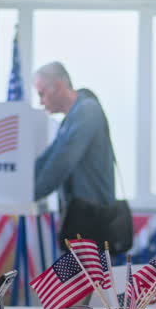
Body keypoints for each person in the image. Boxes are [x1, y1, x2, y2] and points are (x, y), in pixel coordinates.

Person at [31, 61, 118, 221]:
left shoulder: (87, 111)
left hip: (94, 218)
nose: (41, 102)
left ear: (57, 86)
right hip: (79, 215)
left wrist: (30, 194)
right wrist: (18, 185)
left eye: (41, 93)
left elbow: (62, 162)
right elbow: (48, 158)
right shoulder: (70, 119)